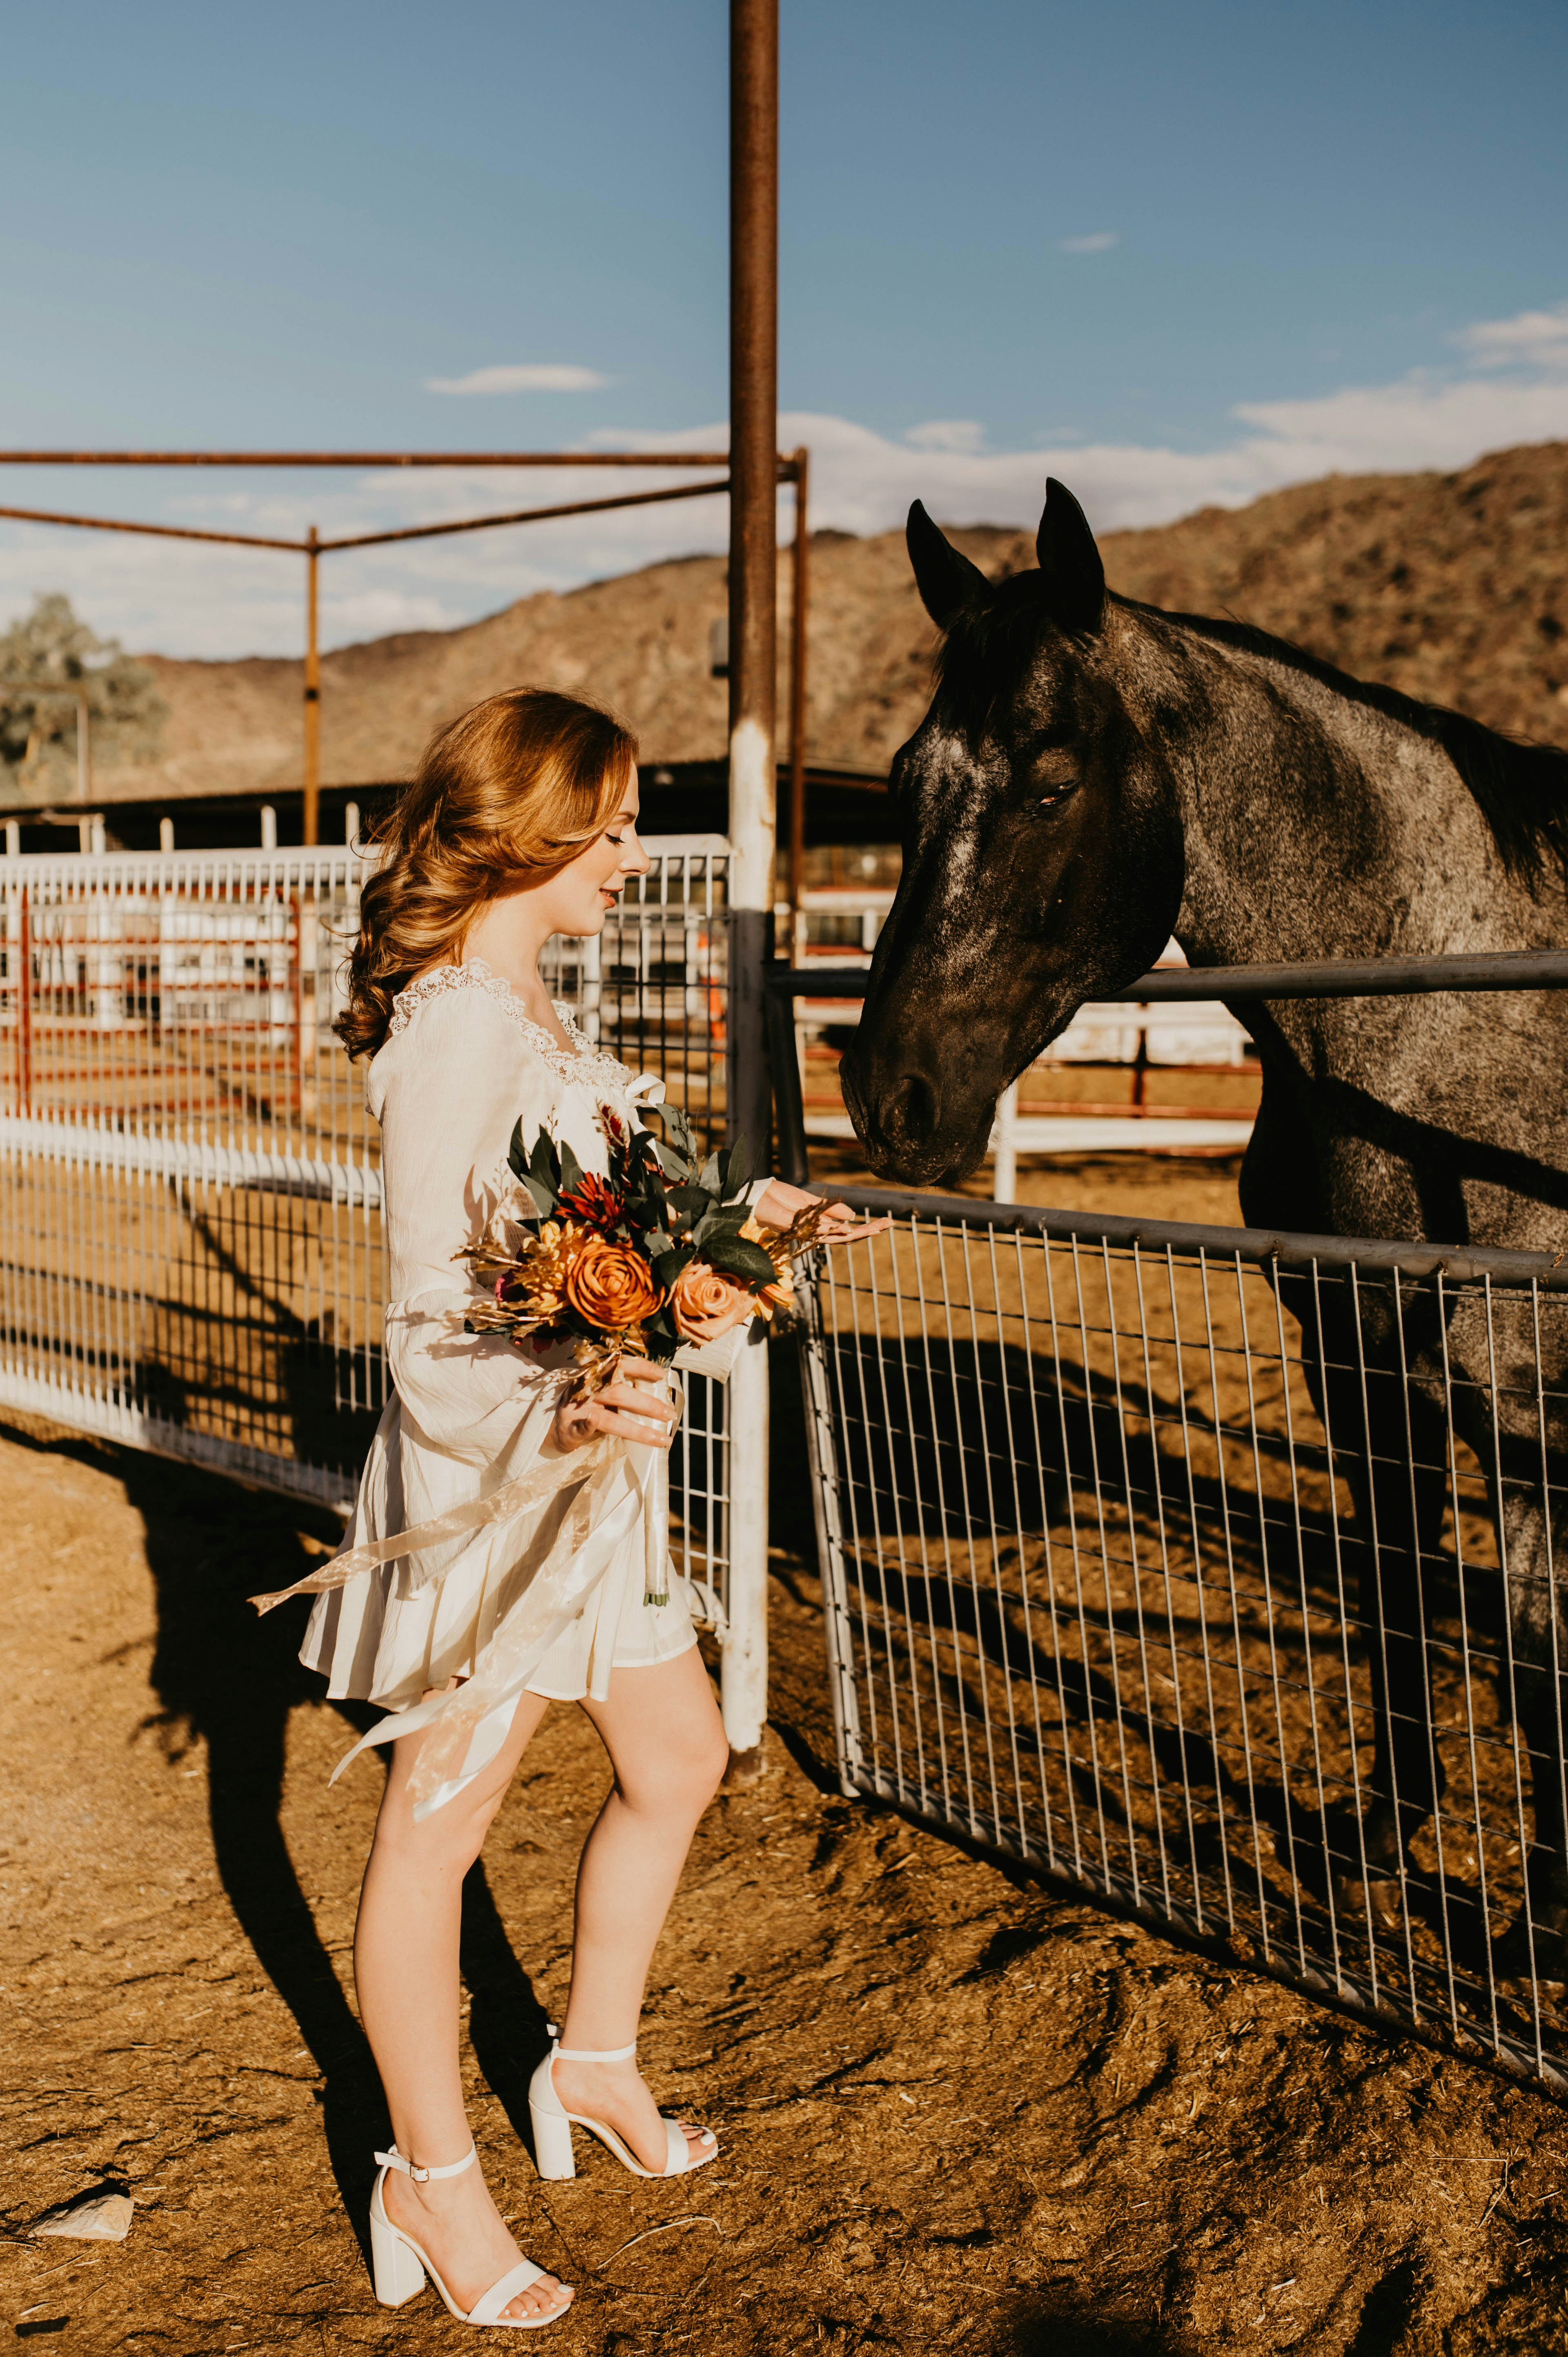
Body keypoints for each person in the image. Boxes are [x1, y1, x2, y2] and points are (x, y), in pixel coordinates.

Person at [256, 689, 876, 2330]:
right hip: (496, 1495)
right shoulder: (459, 1028)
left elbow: (573, 1241)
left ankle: (588, 2062)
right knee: (431, 1833)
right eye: (602, 825)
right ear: (524, 834)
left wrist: (731, 1252)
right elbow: (431, 1323)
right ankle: (428, 2180)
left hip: (586, 1478)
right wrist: (588, 1379)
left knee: (677, 1759)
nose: (626, 851)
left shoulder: (525, 1011)